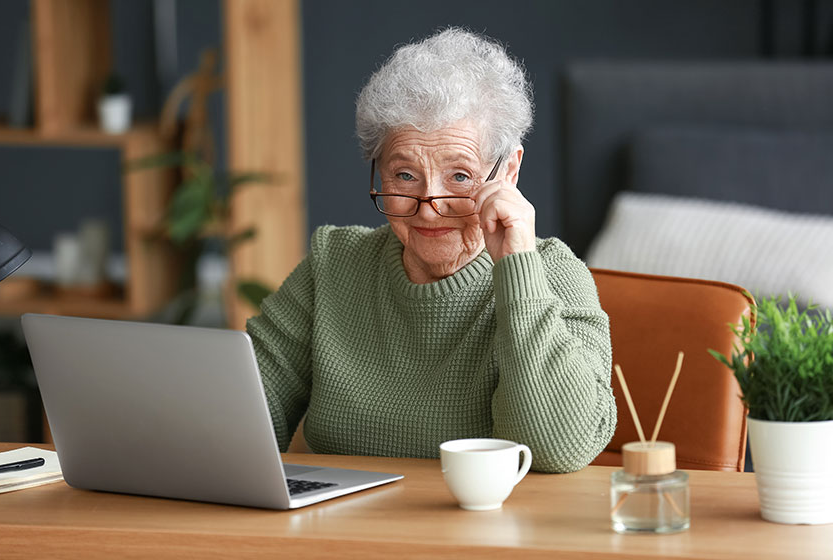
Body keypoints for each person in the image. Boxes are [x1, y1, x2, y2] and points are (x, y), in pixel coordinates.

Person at [247, 27, 616, 473]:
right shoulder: (334, 264)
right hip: (342, 516)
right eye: (405, 176)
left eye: (459, 176)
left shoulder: (553, 274)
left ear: (509, 172)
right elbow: (244, 414)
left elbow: (559, 448)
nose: (428, 208)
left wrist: (517, 268)